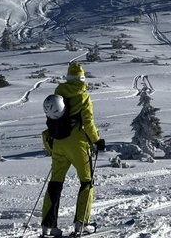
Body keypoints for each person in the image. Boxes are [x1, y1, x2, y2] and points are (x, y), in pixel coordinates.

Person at [41, 62, 106, 237]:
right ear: (82, 78)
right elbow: (88, 123)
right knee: (86, 182)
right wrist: (97, 140)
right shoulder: (83, 97)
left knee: (55, 184)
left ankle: (48, 227)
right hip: (78, 145)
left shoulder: (58, 94)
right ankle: (81, 225)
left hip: (58, 144)